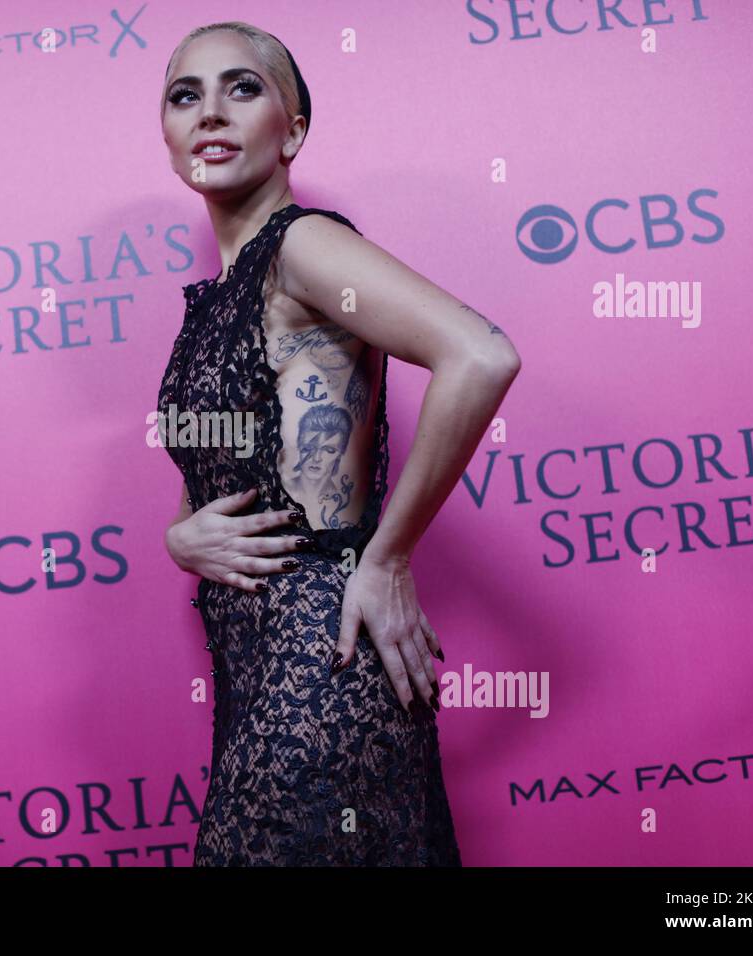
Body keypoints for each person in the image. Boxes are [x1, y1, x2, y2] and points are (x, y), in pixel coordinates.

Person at [157, 21, 521, 866]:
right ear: (169, 137)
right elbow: (212, 483)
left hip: (322, 660)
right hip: (256, 676)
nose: (210, 111)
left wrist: (388, 558)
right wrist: (181, 538)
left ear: (293, 130)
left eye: (242, 88)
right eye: (186, 96)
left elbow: (479, 355)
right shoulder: (210, 303)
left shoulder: (304, 246)